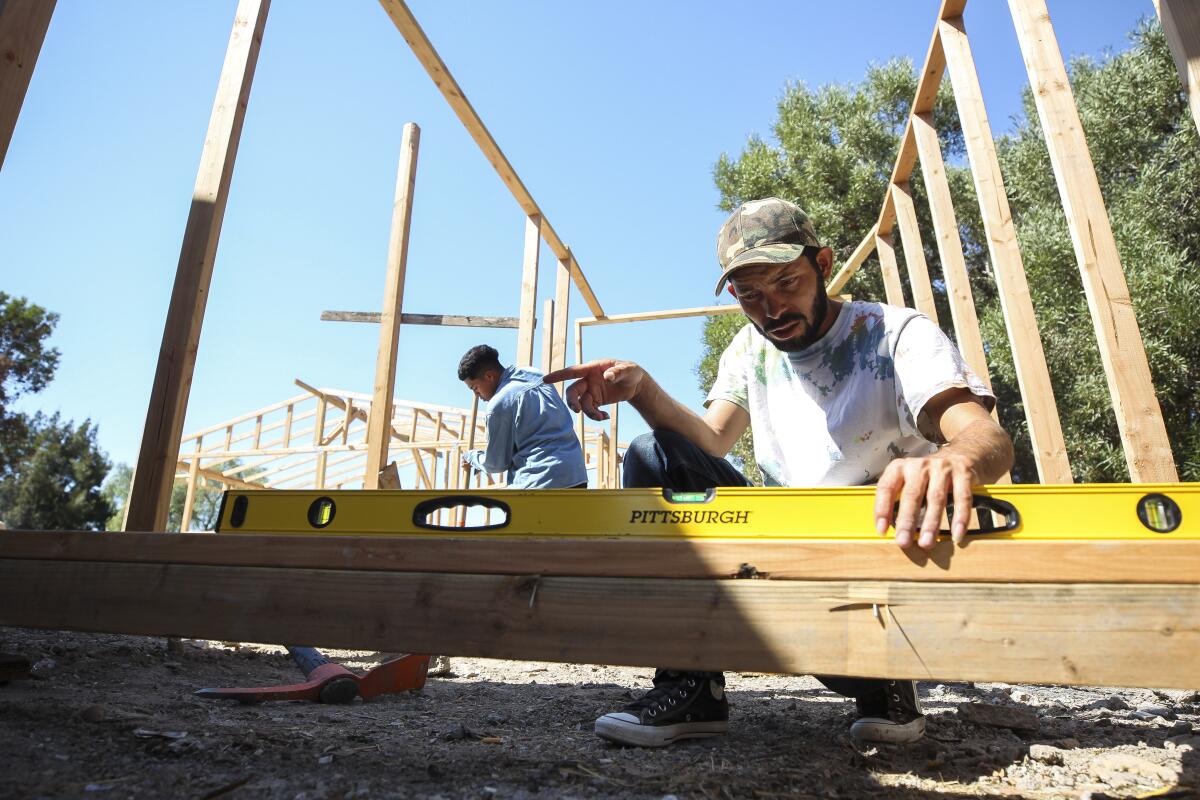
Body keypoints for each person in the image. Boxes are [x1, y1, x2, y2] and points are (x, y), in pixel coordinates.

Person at [544, 197, 1014, 748]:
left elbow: (987, 437)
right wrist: (643, 389)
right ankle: (692, 686)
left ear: (823, 264)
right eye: (751, 296)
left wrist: (952, 458)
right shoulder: (750, 349)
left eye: (786, 283)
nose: (772, 310)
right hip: (784, 557)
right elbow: (710, 441)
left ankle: (884, 680)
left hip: (873, 558)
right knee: (653, 453)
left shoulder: (893, 334)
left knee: (875, 601)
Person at [457, 344, 587, 489]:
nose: (476, 395)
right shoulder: (534, 374)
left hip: (539, 483)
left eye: (475, 388)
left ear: (489, 376)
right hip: (576, 476)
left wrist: (472, 457)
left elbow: (496, 464)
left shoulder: (499, 403)